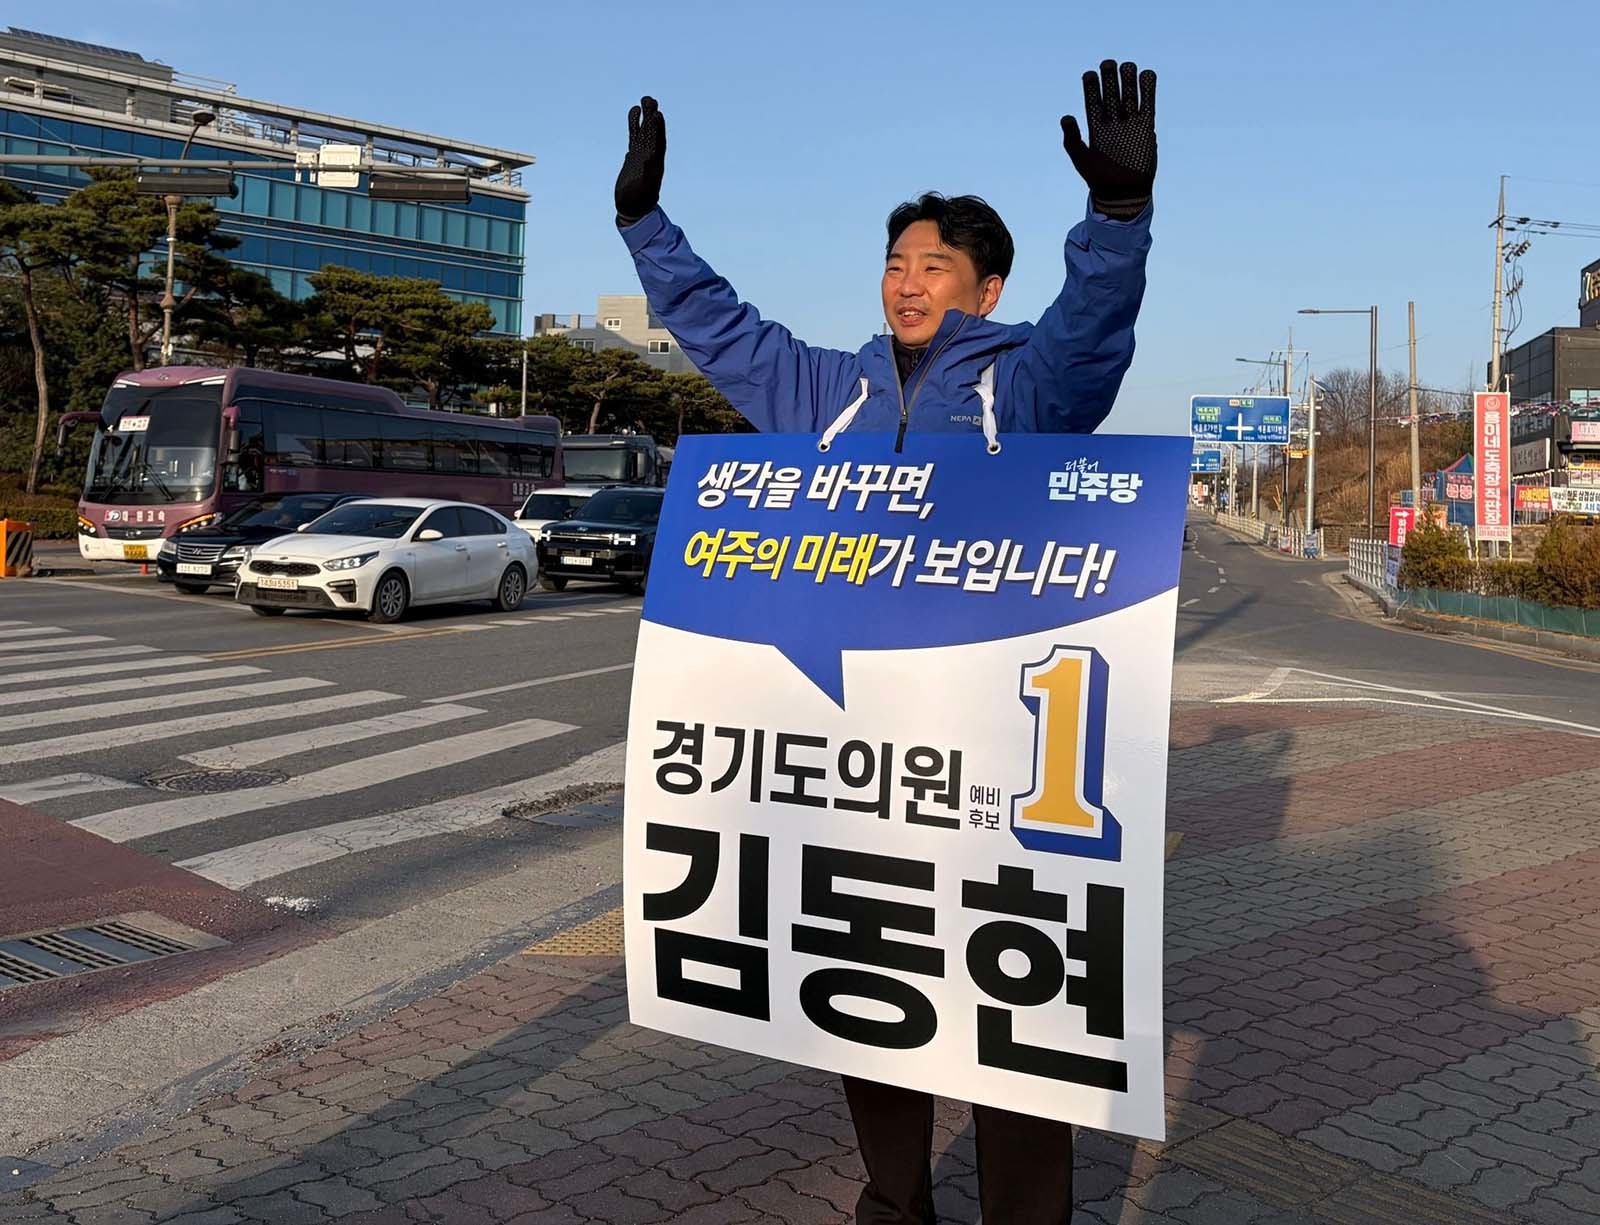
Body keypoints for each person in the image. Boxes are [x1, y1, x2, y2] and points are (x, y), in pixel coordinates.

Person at [614, 61, 1158, 1225]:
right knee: (871, 997)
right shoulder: (830, 392)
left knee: (1017, 1025)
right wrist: (643, 222)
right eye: (896, 263)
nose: (907, 283)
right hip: (863, 762)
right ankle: (892, 1204)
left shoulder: (1028, 389)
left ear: (985, 285)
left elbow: (1092, 332)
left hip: (1000, 766)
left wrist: (1115, 220)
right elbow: (717, 326)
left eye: (934, 267)